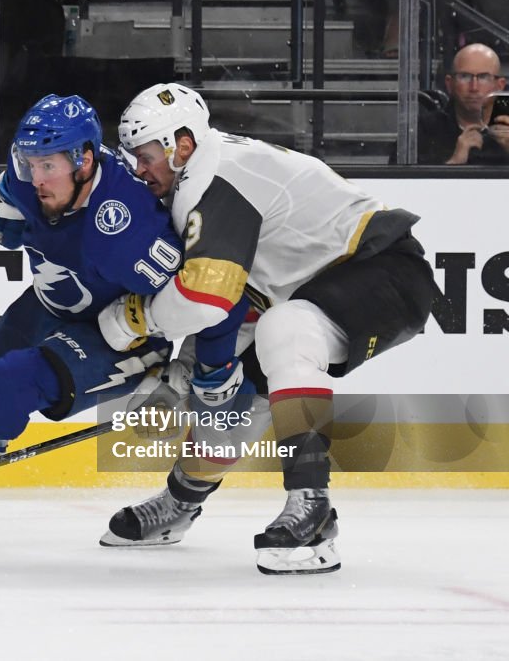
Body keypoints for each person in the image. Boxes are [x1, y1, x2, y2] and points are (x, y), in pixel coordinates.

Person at [0, 93, 250, 557]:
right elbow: (4, 209)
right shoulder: (24, 181)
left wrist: (210, 366)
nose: (36, 178)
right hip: (50, 306)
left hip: (118, 336)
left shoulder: (126, 226)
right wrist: (5, 220)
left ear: (85, 160)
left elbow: (219, 300)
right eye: (29, 162)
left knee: (8, 381)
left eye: (48, 166)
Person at [100, 83, 435, 574]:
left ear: (183, 146)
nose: (138, 169)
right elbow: (227, 297)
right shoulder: (193, 181)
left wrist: (135, 319)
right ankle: (179, 504)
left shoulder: (217, 180)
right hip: (308, 293)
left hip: (383, 270)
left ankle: (313, 508)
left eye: (146, 156)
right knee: (231, 409)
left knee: (285, 330)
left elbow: (202, 298)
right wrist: (190, 371)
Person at [417, 43, 509, 165]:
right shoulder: (425, 128)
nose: (474, 87)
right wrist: (454, 163)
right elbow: (397, 181)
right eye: (464, 76)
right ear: (449, 84)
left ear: (500, 85)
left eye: (483, 77)